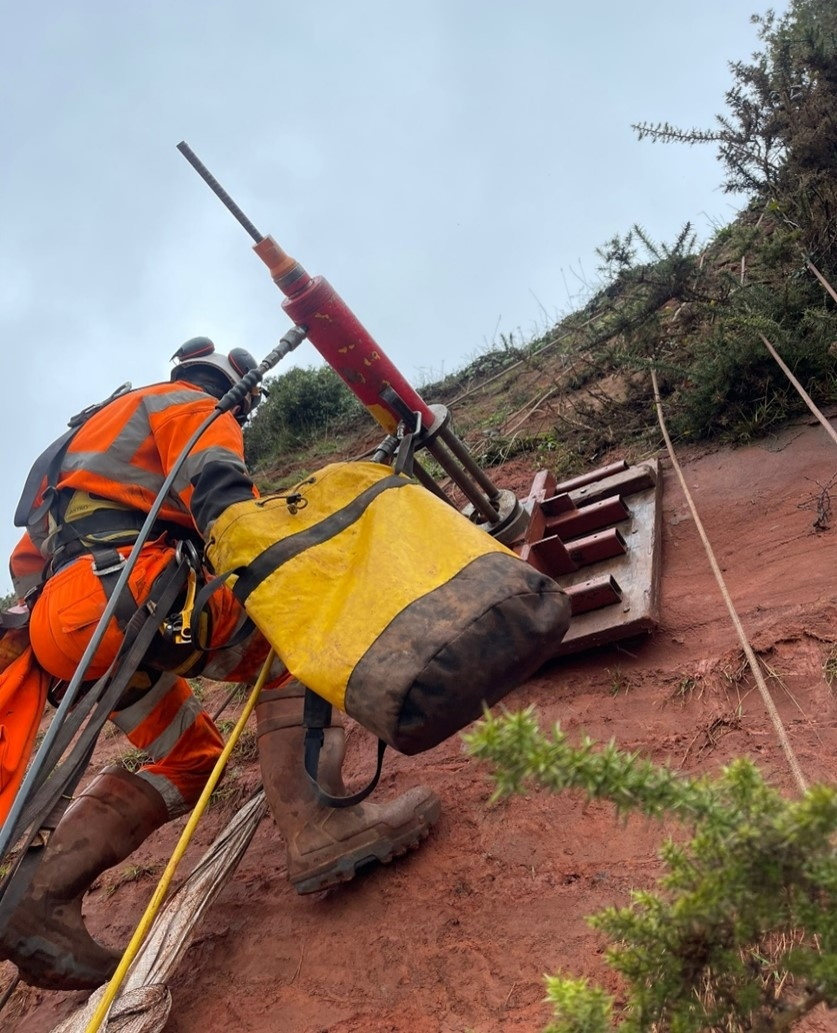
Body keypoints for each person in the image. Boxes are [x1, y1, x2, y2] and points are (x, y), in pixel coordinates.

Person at [0, 338, 441, 992]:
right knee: (291, 647)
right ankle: (320, 826)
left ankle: (43, 900)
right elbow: (221, 495)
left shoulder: (81, 446)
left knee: (192, 759)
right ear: (232, 390)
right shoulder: (190, 406)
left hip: (63, 632)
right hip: (131, 593)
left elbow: (26, 564)